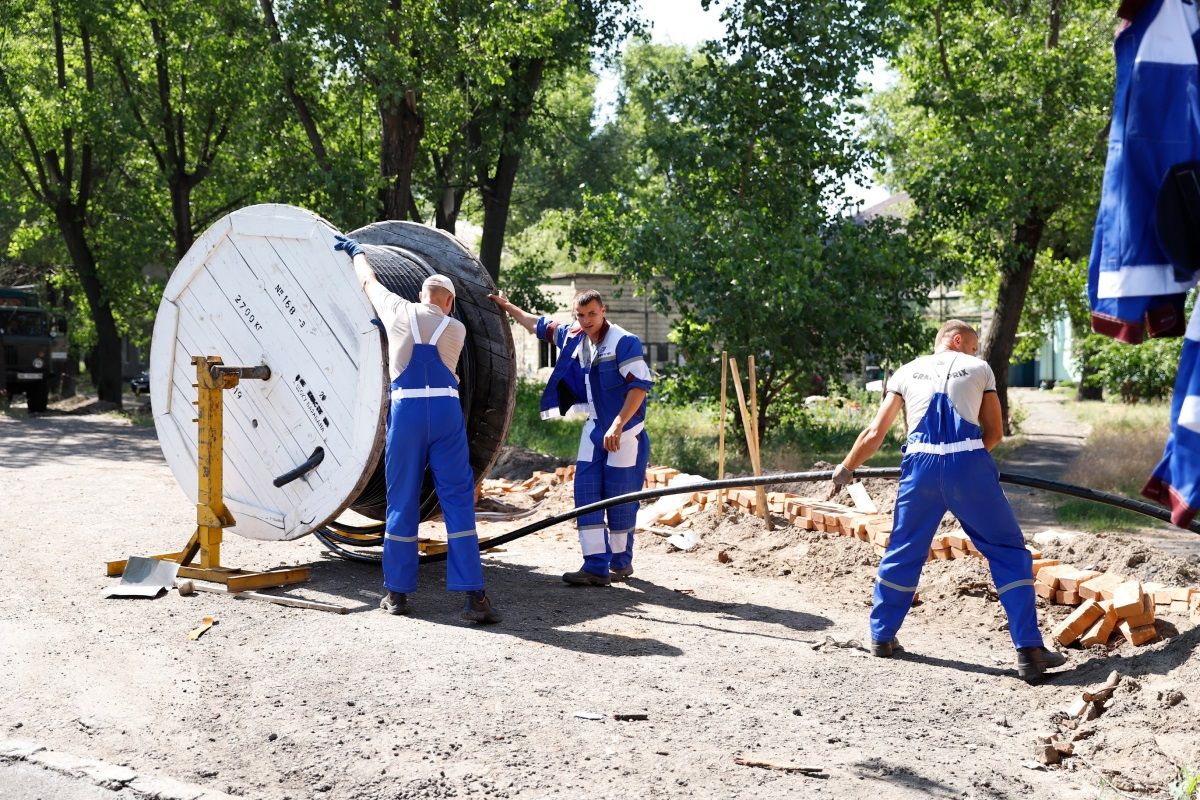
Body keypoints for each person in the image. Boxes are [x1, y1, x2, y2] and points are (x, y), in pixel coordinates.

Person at [832, 320, 1066, 683]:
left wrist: (846, 468)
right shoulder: (979, 368)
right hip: (968, 464)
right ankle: (1030, 652)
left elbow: (875, 432)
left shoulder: (906, 372)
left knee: (904, 549)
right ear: (957, 341)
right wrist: (966, 464)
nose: (974, 352)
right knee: (1007, 551)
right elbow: (995, 433)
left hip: (919, 467)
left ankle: (881, 636)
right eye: (972, 346)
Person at [334, 234, 500, 624]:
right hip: (445, 412)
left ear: (420, 295)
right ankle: (474, 598)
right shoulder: (456, 330)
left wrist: (358, 253)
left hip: (407, 412)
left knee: (401, 499)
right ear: (449, 302)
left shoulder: (397, 311)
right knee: (457, 499)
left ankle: (397, 594)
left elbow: (368, 281)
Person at [490, 289, 653, 586]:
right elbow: (537, 325)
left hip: (626, 432)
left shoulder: (624, 342)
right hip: (595, 429)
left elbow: (639, 387)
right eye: (581, 315)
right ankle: (595, 567)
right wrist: (507, 306)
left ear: (603, 311)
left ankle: (621, 563)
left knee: (620, 499)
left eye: (592, 314)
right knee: (586, 492)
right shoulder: (574, 335)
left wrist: (618, 425)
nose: (587, 320)